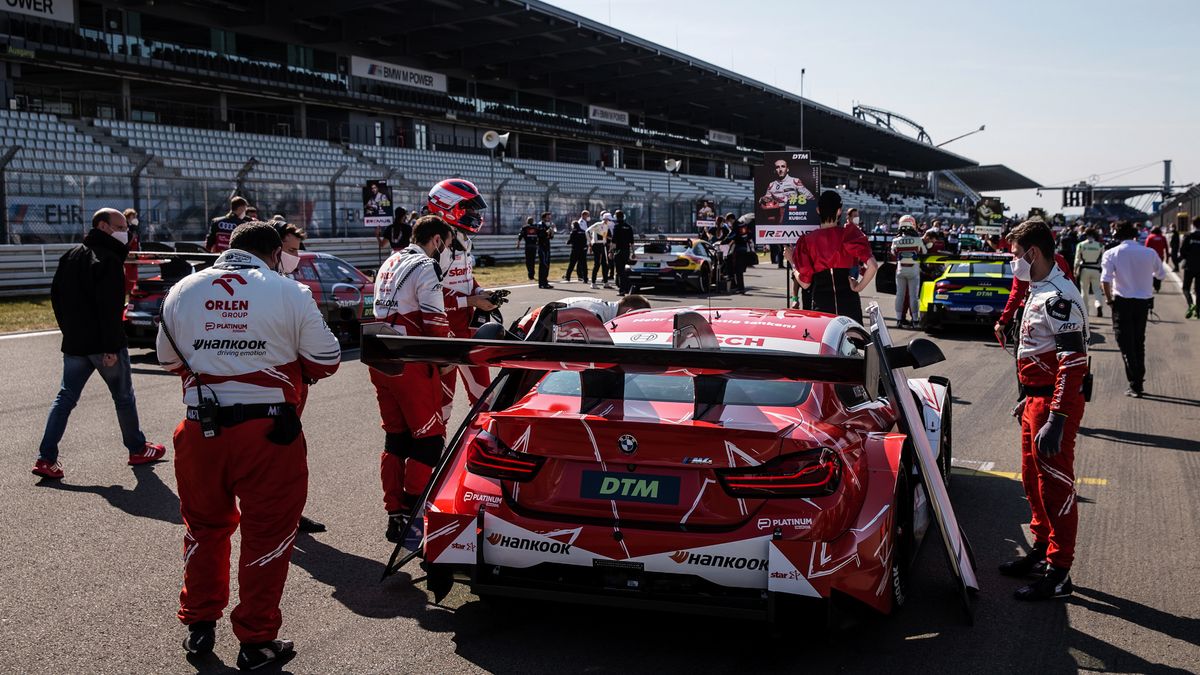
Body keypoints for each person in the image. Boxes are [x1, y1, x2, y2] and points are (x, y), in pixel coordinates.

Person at [158, 222, 340, 669]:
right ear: (275, 252)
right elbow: (328, 360)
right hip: (268, 434)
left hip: (201, 432)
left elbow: (167, 360)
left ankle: (199, 626)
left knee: (203, 529)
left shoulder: (182, 289)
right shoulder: (289, 291)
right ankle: (255, 642)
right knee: (268, 537)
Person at [32, 208, 167, 481]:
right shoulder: (108, 260)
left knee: (65, 398)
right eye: (121, 226)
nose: (126, 231)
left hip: (75, 343)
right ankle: (138, 448)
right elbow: (109, 309)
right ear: (104, 227)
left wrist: (68, 332)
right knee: (124, 397)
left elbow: (56, 299)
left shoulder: (70, 256)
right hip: (105, 345)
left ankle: (46, 458)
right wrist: (109, 347)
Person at [998, 219, 1088, 602]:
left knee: (1056, 486)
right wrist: (1030, 394)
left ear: (1032, 253)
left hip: (1055, 404)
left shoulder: (1058, 296)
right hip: (1036, 397)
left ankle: (1060, 570)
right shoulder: (1038, 289)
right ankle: (1041, 548)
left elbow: (1072, 362)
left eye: (1016, 254)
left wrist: (1056, 416)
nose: (1013, 261)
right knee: (1032, 481)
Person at [370, 215, 455, 543]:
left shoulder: (390, 260)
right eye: (447, 245)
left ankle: (394, 513)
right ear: (436, 240)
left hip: (379, 356)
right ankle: (412, 512)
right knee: (430, 440)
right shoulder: (424, 266)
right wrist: (447, 359)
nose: (447, 251)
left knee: (396, 439)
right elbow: (434, 321)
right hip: (411, 361)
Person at [425, 179, 498, 432]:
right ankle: (437, 460)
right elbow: (429, 294)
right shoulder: (435, 244)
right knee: (442, 404)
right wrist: (470, 300)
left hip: (468, 327)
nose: (475, 215)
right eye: (469, 208)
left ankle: (480, 450)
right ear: (448, 206)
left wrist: (480, 292)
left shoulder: (461, 238)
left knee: (486, 399)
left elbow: (466, 278)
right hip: (443, 332)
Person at [789, 190, 878, 324]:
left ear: (818, 210)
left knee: (826, 342)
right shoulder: (850, 234)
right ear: (839, 211)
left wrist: (792, 261)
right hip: (849, 300)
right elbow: (873, 266)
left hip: (822, 303)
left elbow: (805, 283)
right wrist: (858, 287)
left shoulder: (807, 241)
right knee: (853, 341)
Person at [1101, 221, 1167, 397]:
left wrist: (1109, 300)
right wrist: (1144, 276)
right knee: (1139, 342)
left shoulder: (1111, 253)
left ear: (1116, 236)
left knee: (1125, 342)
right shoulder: (1149, 252)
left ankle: (1136, 383)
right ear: (1135, 235)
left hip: (1121, 301)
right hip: (1143, 302)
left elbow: (1105, 280)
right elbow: (1161, 274)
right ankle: (1138, 380)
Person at [891, 216, 927, 328]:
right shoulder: (917, 240)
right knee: (913, 296)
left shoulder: (895, 240)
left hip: (900, 270)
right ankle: (915, 321)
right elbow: (924, 252)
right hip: (914, 270)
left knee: (900, 295)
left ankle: (898, 319)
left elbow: (893, 253)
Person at [758, 157, 815, 223]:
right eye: (777, 167)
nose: (780, 169)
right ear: (774, 170)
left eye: (783, 166)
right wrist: (762, 199)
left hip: (792, 214)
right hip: (777, 215)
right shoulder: (771, 185)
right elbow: (766, 199)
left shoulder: (795, 181)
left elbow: (810, 197)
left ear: (787, 169)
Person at [1073, 229, 1105, 317]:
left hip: (1084, 269)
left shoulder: (1081, 245)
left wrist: (1075, 270)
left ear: (1086, 235)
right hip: (1096, 269)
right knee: (1097, 290)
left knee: (1084, 291)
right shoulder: (1100, 245)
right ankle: (1099, 305)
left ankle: (1085, 312)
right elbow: (1102, 260)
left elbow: (1077, 260)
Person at [721, 215, 755, 293]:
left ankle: (740, 288)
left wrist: (723, 242)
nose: (729, 223)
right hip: (744, 248)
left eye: (729, 221)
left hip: (738, 249)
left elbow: (731, 236)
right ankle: (739, 287)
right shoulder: (743, 224)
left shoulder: (736, 225)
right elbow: (749, 235)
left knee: (737, 269)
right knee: (739, 269)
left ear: (731, 219)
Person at [611, 209, 635, 295]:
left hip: (619, 251)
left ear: (616, 217)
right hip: (627, 251)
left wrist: (610, 252)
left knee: (620, 271)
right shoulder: (628, 226)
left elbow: (614, 241)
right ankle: (627, 287)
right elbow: (632, 241)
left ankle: (624, 289)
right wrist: (633, 252)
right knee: (624, 270)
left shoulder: (616, 226)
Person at [588, 212, 613, 289]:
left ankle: (605, 282)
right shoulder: (598, 224)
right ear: (605, 219)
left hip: (603, 245)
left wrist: (608, 239)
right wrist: (591, 242)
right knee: (597, 264)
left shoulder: (606, 227)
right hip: (597, 245)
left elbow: (604, 236)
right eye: (609, 220)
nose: (610, 221)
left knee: (605, 264)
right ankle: (593, 282)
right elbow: (587, 231)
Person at [563, 214, 590, 283]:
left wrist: (566, 242)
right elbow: (586, 240)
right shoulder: (583, 231)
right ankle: (585, 278)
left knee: (572, 264)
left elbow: (570, 240)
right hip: (583, 250)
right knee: (584, 264)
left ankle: (568, 277)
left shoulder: (573, 232)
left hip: (575, 250)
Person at [1182, 218, 1200, 318]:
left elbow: (1183, 250)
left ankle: (1191, 305)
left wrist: (1186, 258)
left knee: (1186, 288)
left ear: (1193, 224)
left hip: (1189, 266)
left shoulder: (1189, 236)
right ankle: (1198, 311)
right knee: (1198, 290)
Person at [122, 207, 142, 295]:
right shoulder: (125, 228)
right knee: (129, 276)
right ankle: (128, 292)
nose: (134, 219)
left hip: (134, 255)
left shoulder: (133, 228)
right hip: (128, 255)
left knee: (134, 275)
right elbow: (127, 242)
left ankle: (131, 292)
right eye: (132, 217)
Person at [1143, 226, 1168, 293]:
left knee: (1151, 271)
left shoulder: (1150, 237)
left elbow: (1146, 247)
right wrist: (1167, 257)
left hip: (1151, 257)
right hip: (1160, 257)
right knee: (1158, 270)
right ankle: (1157, 286)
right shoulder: (1163, 238)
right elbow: (1166, 248)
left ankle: (1152, 284)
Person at [517, 216, 539, 281]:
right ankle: (532, 274)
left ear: (527, 221)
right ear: (533, 221)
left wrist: (518, 244)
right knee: (532, 261)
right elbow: (539, 236)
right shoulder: (536, 228)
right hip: (534, 246)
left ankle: (530, 274)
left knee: (528, 261)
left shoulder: (524, 227)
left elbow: (520, 236)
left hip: (528, 246)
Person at [536, 212, 555, 288]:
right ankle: (541, 283)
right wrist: (546, 232)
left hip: (547, 247)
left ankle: (545, 282)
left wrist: (552, 232)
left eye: (550, 217)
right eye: (548, 217)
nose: (549, 219)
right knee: (543, 264)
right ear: (543, 218)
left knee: (547, 265)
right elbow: (540, 235)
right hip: (541, 247)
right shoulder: (540, 225)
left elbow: (550, 237)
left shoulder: (548, 225)